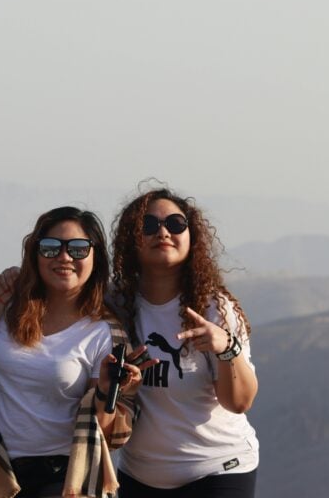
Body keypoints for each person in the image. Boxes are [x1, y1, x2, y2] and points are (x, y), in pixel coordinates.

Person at [0, 206, 150, 498]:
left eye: (78, 249)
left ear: (95, 257)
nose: (65, 257)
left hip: (63, 478)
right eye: (51, 247)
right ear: (35, 254)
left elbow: (109, 437)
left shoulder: (104, 333)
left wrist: (106, 391)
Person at [110, 187, 259, 498]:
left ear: (192, 236)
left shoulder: (213, 308)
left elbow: (240, 402)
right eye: (148, 226)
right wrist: (16, 279)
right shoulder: (115, 303)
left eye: (176, 224)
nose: (163, 232)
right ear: (130, 240)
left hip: (217, 470)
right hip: (139, 475)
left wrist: (226, 348)